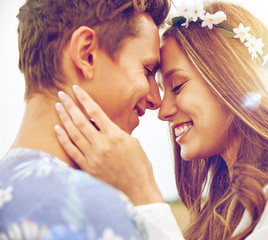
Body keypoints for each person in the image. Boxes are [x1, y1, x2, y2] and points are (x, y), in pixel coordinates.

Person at [53, 1, 268, 240]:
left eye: (178, 86)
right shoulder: (213, 216)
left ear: (229, 80)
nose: (163, 110)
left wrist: (141, 191)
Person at [0, 0, 184, 239]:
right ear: (86, 54)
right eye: (147, 70)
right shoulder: (97, 212)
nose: (155, 100)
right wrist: (144, 192)